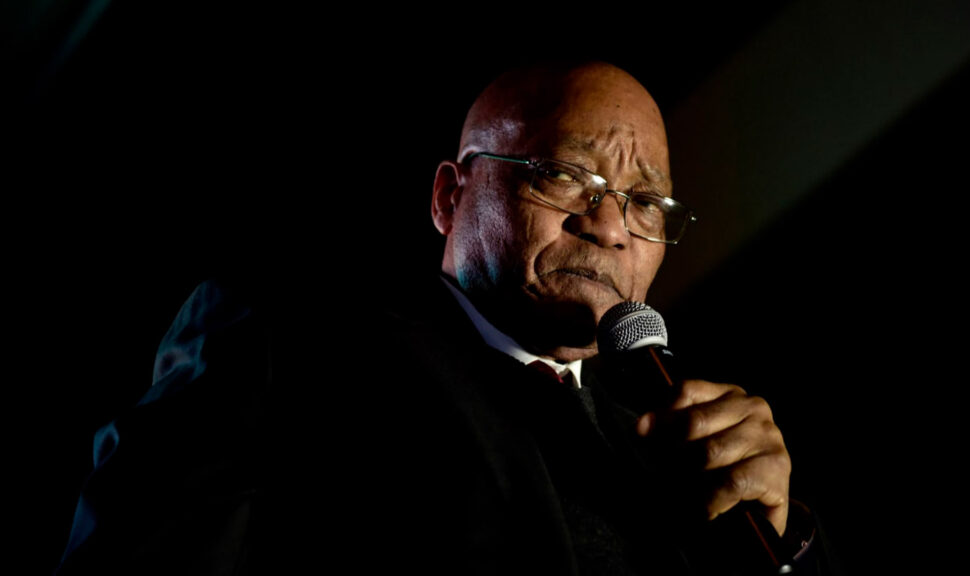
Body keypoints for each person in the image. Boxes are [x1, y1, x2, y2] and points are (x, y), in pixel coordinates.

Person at [55, 61, 833, 575]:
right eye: (565, 174)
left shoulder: (670, 441)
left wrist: (781, 538)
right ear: (449, 197)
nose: (610, 225)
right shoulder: (285, 337)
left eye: (644, 202)